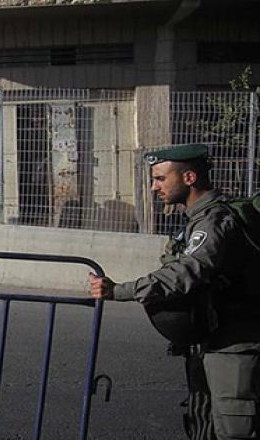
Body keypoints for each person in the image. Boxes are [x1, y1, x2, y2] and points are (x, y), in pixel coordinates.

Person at [88, 143, 260, 440]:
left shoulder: (214, 221)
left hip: (235, 345)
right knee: (203, 422)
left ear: (189, 177)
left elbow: (188, 271)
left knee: (236, 430)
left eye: (160, 178)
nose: (154, 187)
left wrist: (121, 290)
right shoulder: (196, 220)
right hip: (211, 341)